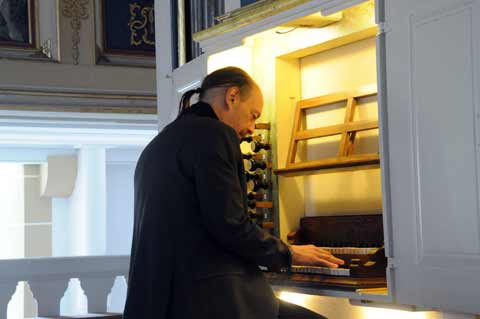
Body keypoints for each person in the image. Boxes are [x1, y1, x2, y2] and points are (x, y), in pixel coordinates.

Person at [123, 66, 344, 319]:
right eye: (253, 115)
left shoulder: (158, 144)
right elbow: (229, 225)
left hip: (163, 301)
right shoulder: (214, 134)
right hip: (210, 300)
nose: (252, 128)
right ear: (232, 97)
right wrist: (289, 252)